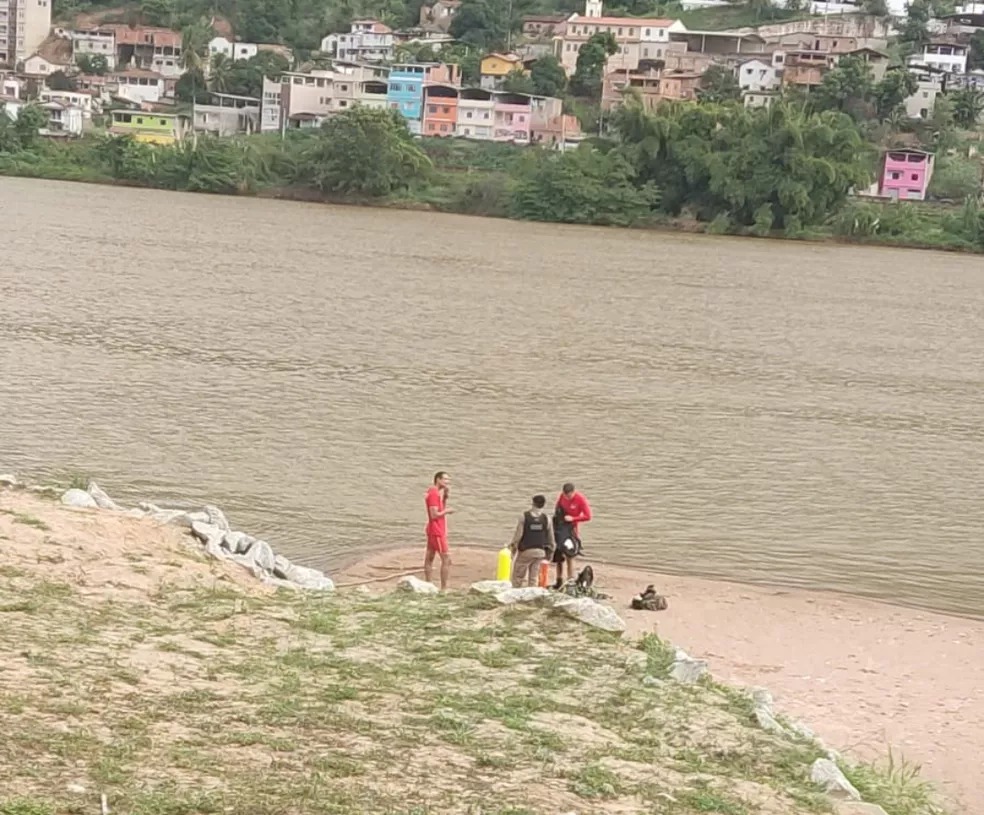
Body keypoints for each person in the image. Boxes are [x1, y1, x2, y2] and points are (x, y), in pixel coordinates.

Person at [509, 495, 554, 588]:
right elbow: (551, 539)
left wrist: (513, 548)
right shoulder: (547, 519)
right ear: (543, 505)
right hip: (540, 552)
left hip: (526, 551)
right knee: (534, 577)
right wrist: (551, 552)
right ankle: (532, 595)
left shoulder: (524, 517)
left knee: (518, 575)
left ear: (533, 503)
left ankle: (515, 592)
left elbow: (518, 536)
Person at [554, 482, 591, 587]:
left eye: (569, 496)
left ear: (573, 492)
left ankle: (570, 579)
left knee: (570, 554)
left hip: (572, 529)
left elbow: (588, 516)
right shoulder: (562, 497)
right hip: (561, 527)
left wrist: (573, 518)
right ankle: (559, 579)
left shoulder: (580, 499)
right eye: (566, 495)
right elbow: (557, 508)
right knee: (558, 555)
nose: (568, 498)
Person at [424, 471, 454, 590]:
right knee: (446, 559)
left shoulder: (436, 494)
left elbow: (439, 507)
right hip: (437, 531)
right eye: (445, 480)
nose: (448, 482)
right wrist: (448, 511)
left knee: (430, 557)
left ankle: (428, 584)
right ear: (438, 480)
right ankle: (444, 588)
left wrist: (445, 497)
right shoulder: (434, 494)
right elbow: (434, 514)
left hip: (434, 529)